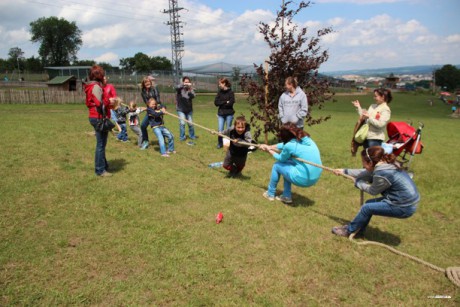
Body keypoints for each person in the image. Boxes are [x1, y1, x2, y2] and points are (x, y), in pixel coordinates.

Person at [332, 146, 420, 237]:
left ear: (370, 163)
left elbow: (373, 191)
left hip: (404, 206)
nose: (362, 165)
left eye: (363, 162)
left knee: (367, 208)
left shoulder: (382, 173)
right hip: (406, 202)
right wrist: (343, 171)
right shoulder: (385, 164)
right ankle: (358, 230)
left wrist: (358, 183)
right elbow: (364, 173)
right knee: (368, 204)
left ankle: (349, 231)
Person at [260, 123, 322, 204]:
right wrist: (270, 146)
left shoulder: (289, 145)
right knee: (287, 166)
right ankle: (286, 196)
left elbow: (281, 159)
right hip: (315, 177)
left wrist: (269, 150)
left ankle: (270, 193)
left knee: (277, 166)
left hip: (304, 179)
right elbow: (285, 145)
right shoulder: (306, 139)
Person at [84, 65, 113, 177]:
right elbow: (99, 103)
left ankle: (104, 165)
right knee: (100, 144)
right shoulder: (95, 87)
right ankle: (100, 170)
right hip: (98, 117)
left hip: (95, 116)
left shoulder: (92, 85)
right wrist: (109, 100)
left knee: (102, 143)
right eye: (102, 73)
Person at [140, 77, 161, 150]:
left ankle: (162, 141)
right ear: (144, 84)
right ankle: (146, 141)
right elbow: (146, 102)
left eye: (148, 82)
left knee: (159, 126)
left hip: (157, 110)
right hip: (149, 111)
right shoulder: (143, 92)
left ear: (151, 82)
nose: (147, 83)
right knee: (143, 126)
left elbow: (158, 99)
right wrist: (148, 109)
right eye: (146, 82)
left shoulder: (154, 89)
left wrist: (157, 108)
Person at [214, 78, 235, 149]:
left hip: (229, 113)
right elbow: (216, 103)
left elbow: (231, 103)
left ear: (224, 84)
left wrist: (222, 102)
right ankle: (220, 143)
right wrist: (225, 102)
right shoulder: (219, 92)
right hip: (221, 114)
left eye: (220, 83)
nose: (219, 85)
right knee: (220, 130)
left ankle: (228, 144)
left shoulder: (231, 92)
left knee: (229, 130)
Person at [176, 76, 196, 144]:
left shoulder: (190, 89)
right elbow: (177, 87)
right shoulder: (180, 89)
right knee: (182, 123)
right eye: (185, 82)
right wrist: (183, 85)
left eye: (188, 82)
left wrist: (190, 89)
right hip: (180, 109)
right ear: (183, 82)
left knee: (190, 123)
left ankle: (192, 136)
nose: (187, 83)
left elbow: (193, 96)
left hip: (189, 109)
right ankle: (182, 137)